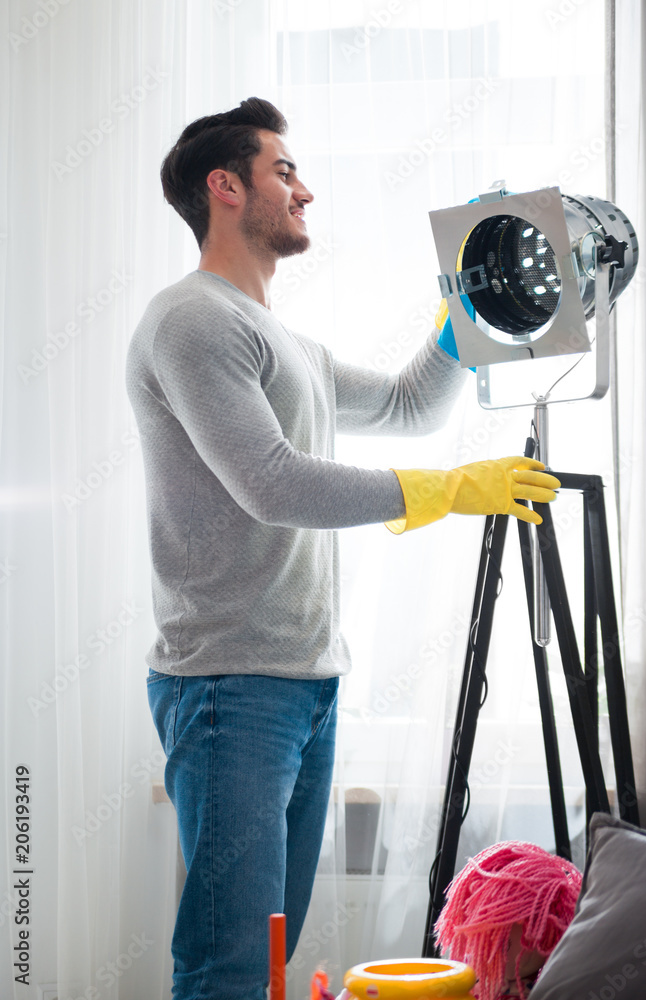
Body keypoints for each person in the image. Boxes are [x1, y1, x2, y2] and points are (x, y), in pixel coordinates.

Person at [125, 97, 559, 1000]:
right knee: (231, 960)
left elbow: (409, 405)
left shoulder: (286, 342)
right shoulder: (191, 322)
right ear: (226, 186)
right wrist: (447, 491)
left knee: (271, 956)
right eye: (285, 171)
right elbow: (274, 484)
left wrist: (464, 301)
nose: (306, 190)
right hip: (228, 685)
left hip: (302, 679)